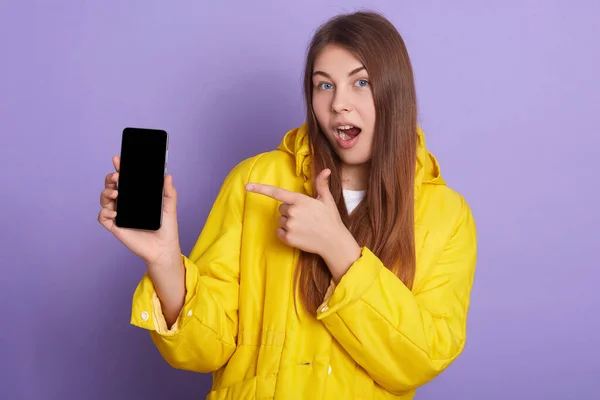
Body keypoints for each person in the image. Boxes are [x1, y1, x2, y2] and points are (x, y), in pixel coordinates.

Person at [98, 10, 477, 400]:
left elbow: (421, 358)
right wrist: (165, 263)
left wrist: (339, 249)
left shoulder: (446, 216)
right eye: (323, 85)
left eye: (361, 82)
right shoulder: (257, 181)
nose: (339, 105)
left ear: (395, 92)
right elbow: (208, 347)